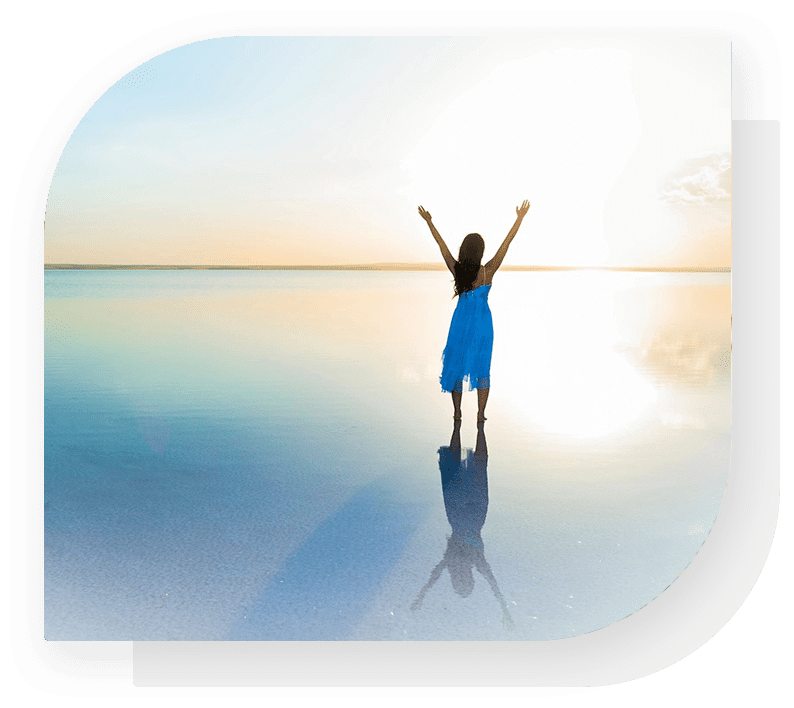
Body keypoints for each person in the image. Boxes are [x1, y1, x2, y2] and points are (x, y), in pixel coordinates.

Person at [418, 201, 530, 421]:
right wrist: (520, 218)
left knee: (457, 366)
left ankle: (457, 412)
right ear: (480, 252)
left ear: (464, 250)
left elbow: (441, 245)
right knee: (482, 368)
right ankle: (481, 414)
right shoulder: (488, 271)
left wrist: (429, 222)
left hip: (460, 322)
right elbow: (507, 243)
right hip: (482, 324)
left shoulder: (457, 269)